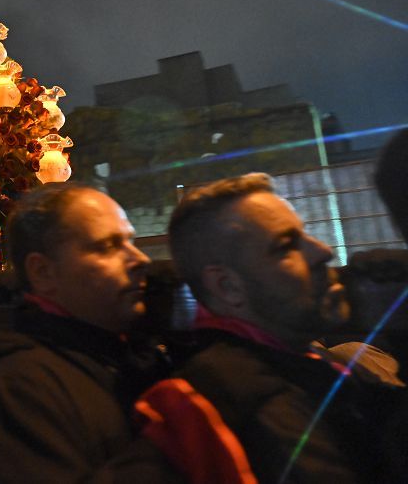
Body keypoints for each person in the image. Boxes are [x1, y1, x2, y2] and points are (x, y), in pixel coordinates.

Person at [153, 173, 408, 482]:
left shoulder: (310, 364)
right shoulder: (230, 404)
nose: (322, 251)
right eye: (286, 246)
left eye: (305, 235)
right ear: (228, 286)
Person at [0, 183, 181, 483]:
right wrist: (170, 439)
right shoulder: (17, 391)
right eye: (107, 246)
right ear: (43, 273)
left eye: (130, 241)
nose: (140, 260)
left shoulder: (123, 356)